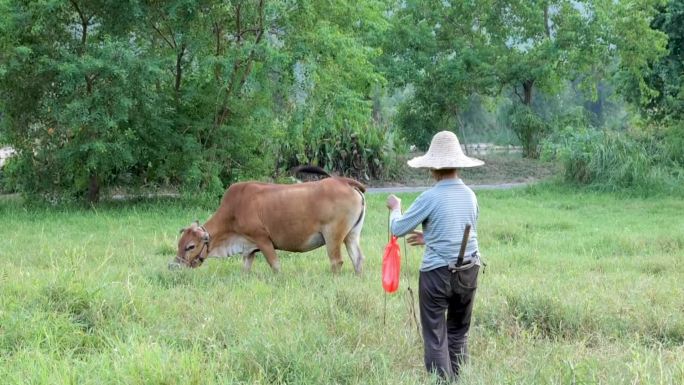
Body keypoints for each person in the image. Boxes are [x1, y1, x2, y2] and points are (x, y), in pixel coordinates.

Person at [386, 130, 484, 382]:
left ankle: (442, 381)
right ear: (458, 166)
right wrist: (429, 237)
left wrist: (395, 208)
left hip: (437, 276)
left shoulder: (430, 197)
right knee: (458, 333)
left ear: (432, 168)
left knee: (435, 336)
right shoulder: (471, 195)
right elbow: (462, 229)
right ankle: (458, 379)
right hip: (470, 270)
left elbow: (397, 229)